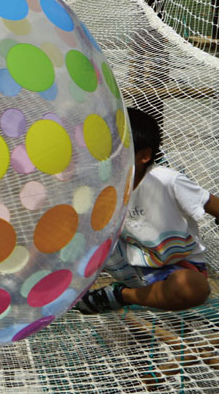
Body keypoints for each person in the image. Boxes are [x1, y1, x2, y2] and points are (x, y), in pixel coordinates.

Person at [76, 107, 219, 314]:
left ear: (143, 156)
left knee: (192, 289)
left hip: (173, 268)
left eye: (113, 152)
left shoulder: (166, 180)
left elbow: (209, 203)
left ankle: (120, 296)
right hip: (125, 263)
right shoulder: (99, 185)